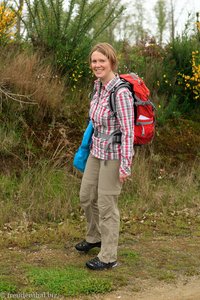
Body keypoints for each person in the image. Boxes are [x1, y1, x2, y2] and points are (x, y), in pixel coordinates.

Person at [75, 42, 134, 270]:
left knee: (107, 205)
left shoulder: (120, 93)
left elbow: (128, 132)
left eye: (102, 60)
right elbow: (94, 121)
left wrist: (125, 166)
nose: (97, 65)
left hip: (114, 155)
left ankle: (109, 257)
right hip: (96, 151)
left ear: (112, 62)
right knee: (86, 196)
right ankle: (95, 237)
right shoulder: (97, 86)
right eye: (94, 61)